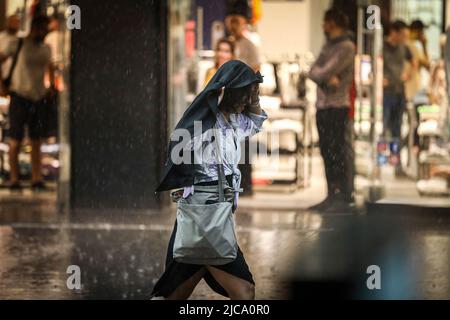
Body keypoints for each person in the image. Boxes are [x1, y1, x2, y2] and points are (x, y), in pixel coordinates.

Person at [152, 60, 267, 300]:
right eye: (244, 95)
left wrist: (254, 92)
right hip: (203, 215)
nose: (247, 101)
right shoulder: (203, 123)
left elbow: (255, 123)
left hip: (214, 218)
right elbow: (181, 152)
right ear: (231, 92)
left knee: (173, 295)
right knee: (243, 291)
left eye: (249, 96)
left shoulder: (234, 121)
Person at [0, 15, 56, 191]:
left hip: (38, 97)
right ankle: (14, 179)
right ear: (33, 28)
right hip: (19, 95)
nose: (43, 32)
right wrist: (2, 85)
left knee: (36, 140)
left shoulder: (45, 48)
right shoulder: (18, 44)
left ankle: (36, 178)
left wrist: (51, 88)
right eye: (41, 28)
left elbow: (50, 67)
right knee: (15, 140)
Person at [308, 8, 356, 213]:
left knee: (339, 151)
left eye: (325, 22)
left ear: (332, 23)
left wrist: (324, 75)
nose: (322, 26)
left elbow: (323, 70)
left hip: (338, 106)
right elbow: (313, 71)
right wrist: (325, 77)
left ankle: (343, 196)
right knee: (326, 152)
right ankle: (330, 194)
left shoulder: (346, 46)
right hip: (323, 106)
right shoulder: (328, 45)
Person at [382, 20, 414, 177]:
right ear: (394, 33)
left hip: (399, 92)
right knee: (382, 129)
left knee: (396, 130)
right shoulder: (381, 46)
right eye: (402, 35)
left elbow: (413, 61)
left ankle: (396, 164)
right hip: (385, 94)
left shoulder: (404, 48)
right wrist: (379, 77)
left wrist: (408, 75)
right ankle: (380, 164)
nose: (404, 38)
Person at [0, 15, 20, 82]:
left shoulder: (22, 40)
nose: (14, 24)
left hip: (17, 79)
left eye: (16, 22)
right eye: (12, 21)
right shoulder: (1, 38)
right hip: (2, 76)